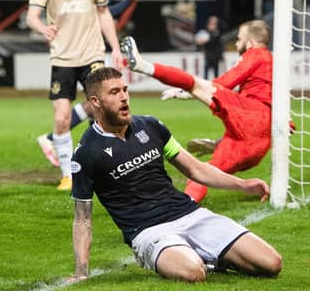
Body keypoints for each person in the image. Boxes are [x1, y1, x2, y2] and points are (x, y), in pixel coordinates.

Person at [69, 67, 282, 283]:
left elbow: (195, 169)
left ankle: (209, 256)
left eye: (125, 89)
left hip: (189, 214)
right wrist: (81, 271)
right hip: (148, 232)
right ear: (95, 101)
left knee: (271, 263)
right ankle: (198, 258)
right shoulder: (87, 153)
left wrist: (243, 185)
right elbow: (82, 219)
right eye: (114, 92)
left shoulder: (151, 126)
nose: (124, 97)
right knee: (193, 273)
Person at [121, 20, 273, 203]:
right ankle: (185, 205)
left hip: (252, 116)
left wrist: (188, 92)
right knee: (203, 173)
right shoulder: (271, 63)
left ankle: (144, 66)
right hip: (258, 143)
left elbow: (225, 82)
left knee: (196, 83)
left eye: (239, 39)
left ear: (250, 43)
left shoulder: (256, 53)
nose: (237, 43)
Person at [36, 0, 151, 168]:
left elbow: (102, 8)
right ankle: (56, 141)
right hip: (72, 53)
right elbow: (101, 11)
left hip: (90, 50)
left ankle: (95, 155)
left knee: (100, 101)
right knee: (100, 101)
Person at [26, 0, 125, 190]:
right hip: (63, 58)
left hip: (92, 53)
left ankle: (112, 165)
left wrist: (114, 47)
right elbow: (32, 16)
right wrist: (42, 28)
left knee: (106, 105)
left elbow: (104, 14)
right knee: (61, 118)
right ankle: (68, 173)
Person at [196, 15, 223, 79]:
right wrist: (200, 41)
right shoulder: (205, 33)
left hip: (215, 56)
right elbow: (199, 42)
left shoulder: (217, 33)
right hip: (208, 56)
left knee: (216, 73)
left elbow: (212, 41)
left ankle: (216, 85)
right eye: (211, 24)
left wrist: (204, 41)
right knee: (206, 73)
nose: (212, 26)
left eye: (214, 24)